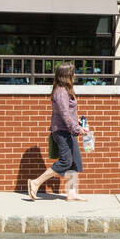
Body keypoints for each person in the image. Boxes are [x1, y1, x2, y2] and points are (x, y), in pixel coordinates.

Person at [28, 62, 90, 202]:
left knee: (74, 161)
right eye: (73, 72)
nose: (75, 75)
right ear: (66, 75)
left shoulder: (66, 90)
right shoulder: (61, 91)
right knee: (65, 161)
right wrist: (76, 128)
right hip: (62, 132)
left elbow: (69, 113)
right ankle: (36, 182)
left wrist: (78, 123)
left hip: (68, 130)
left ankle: (72, 192)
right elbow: (64, 114)